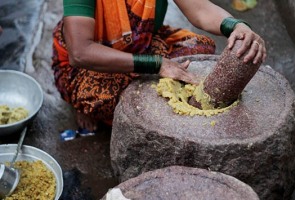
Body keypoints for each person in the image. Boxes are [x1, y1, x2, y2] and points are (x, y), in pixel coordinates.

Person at [52, 0, 267, 132]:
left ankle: (144, 92)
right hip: (91, 61)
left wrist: (236, 26)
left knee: (198, 49)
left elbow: (201, 10)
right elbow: (80, 52)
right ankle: (80, 106)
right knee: (100, 98)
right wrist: (156, 65)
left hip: (141, 44)